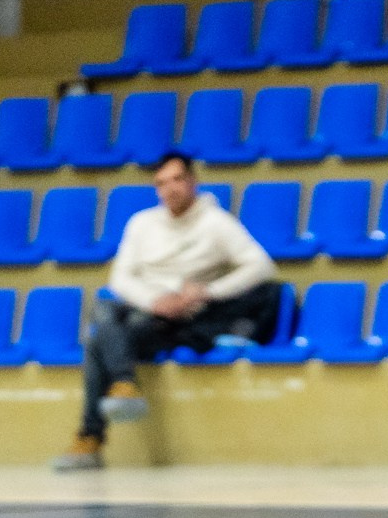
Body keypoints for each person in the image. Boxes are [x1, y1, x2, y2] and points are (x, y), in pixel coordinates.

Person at [52, 153, 280, 472]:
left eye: (176, 180)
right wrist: (155, 300)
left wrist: (207, 292)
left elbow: (262, 267)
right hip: (144, 305)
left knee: (97, 340)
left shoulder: (216, 222)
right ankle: (123, 382)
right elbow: (119, 278)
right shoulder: (142, 223)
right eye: (161, 183)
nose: (169, 189)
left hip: (177, 317)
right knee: (104, 310)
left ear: (192, 182)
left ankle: (91, 438)